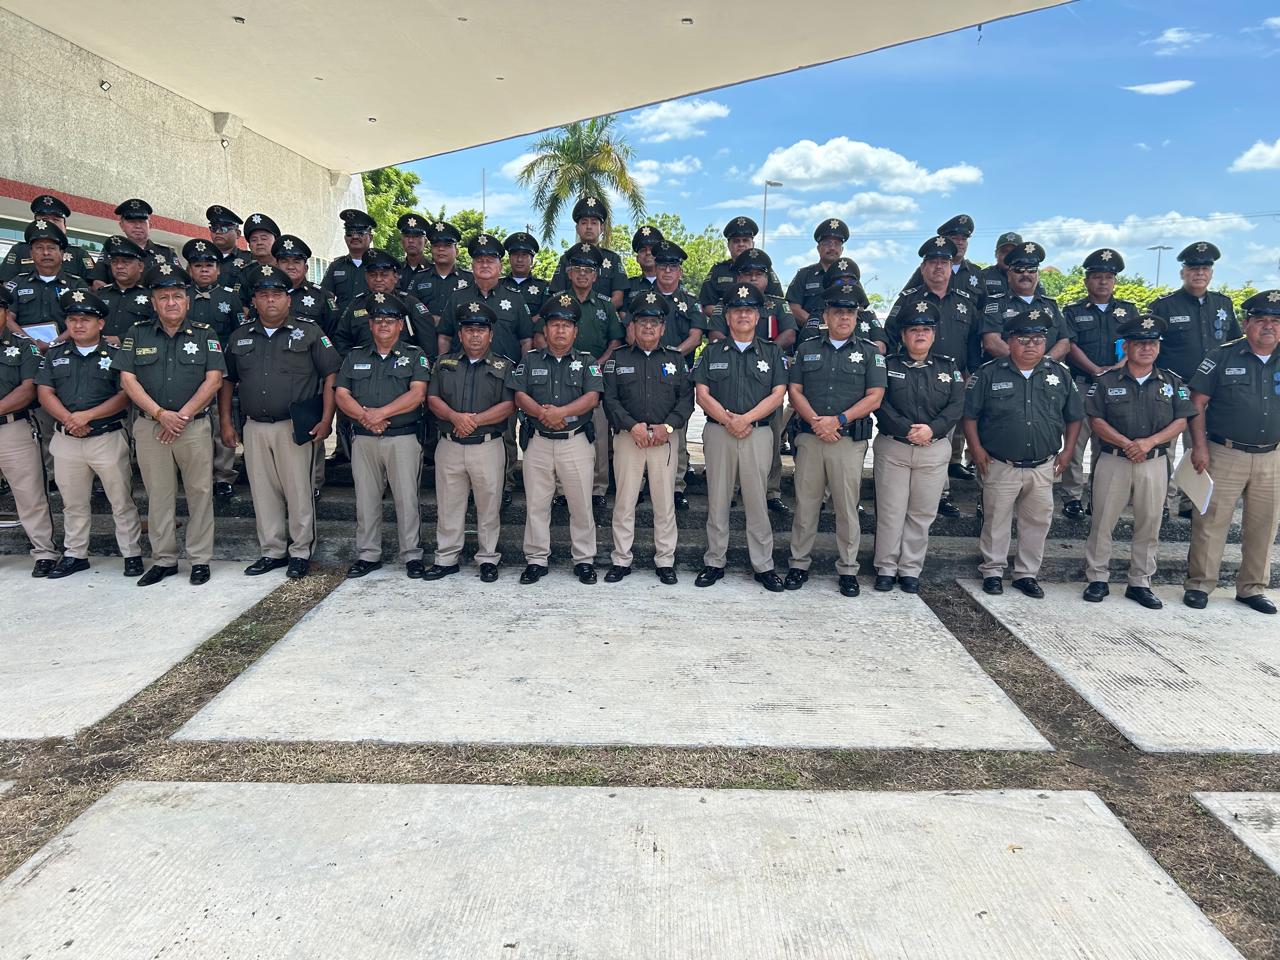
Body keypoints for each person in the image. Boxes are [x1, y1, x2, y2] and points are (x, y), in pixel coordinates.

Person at [219, 264, 341, 580]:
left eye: (276, 295)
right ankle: (272, 551)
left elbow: (331, 375)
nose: (270, 301)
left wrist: (327, 419)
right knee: (263, 491)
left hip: (294, 425)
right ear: (254, 301)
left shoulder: (310, 331)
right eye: (263, 295)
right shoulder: (240, 336)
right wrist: (226, 423)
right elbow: (228, 381)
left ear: (288, 299)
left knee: (299, 491)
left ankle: (300, 552)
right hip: (255, 425)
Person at [964, 304, 1084, 597]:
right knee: (996, 520)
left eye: (1038, 340)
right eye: (1023, 339)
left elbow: (1074, 417)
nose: (1031, 345)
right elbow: (970, 416)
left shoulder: (1059, 374)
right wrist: (975, 449)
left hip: (1043, 465)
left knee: (1037, 522)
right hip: (1000, 463)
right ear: (1010, 341)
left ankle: (1026, 574)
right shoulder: (989, 373)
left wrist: (1067, 452)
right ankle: (992, 570)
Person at [117, 265, 225, 586]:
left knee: (200, 493)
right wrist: (161, 413)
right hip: (152, 427)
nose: (171, 303)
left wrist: (182, 416)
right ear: (153, 303)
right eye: (163, 297)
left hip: (193, 427)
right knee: (158, 495)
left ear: (187, 301)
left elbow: (214, 380)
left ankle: (200, 560)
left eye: (177, 296)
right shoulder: (137, 333)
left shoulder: (205, 333)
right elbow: (127, 379)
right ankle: (164, 559)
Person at [1081, 313, 1196, 608]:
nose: (1147, 348)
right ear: (1127, 348)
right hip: (1114, 459)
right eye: (1140, 343)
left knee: (1149, 523)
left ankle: (1140, 582)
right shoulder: (1106, 381)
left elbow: (1182, 420)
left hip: (1154, 462)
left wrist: (1149, 442)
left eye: (1152, 343)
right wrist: (1126, 443)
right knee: (1102, 521)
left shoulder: (1171, 381)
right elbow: (1095, 419)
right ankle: (1097, 578)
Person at [785, 285, 887, 597]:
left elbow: (876, 397)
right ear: (826, 316)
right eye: (838, 312)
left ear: (857, 317)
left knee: (846, 507)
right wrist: (818, 423)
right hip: (812, 437)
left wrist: (838, 420)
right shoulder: (807, 349)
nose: (844, 317)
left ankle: (848, 569)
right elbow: (795, 391)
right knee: (806, 505)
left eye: (850, 312)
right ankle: (798, 564)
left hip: (847, 441)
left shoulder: (870, 353)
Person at [1182, 290, 1280, 615]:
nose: (1269, 326)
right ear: (1246, 322)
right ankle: (1199, 584)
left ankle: (1252, 588)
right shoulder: (1222, 356)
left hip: (1272, 456)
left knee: (1264, 525)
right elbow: (1197, 403)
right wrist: (1199, 447)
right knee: (1210, 521)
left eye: (1276, 321)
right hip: (1224, 452)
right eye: (1262, 320)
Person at [36, 289, 143, 579]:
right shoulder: (55, 355)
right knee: (73, 503)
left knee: (121, 500)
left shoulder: (117, 355)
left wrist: (88, 416)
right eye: (72, 319)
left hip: (106, 436)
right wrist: (69, 419)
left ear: (101, 324)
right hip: (67, 439)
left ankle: (131, 553)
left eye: (86, 319)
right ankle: (75, 554)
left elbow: (125, 394)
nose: (79, 325)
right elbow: (45, 392)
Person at [692, 283, 787, 591]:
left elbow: (778, 394)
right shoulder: (712, 351)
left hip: (757, 434)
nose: (743, 316)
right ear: (728, 317)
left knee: (757, 499)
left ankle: (763, 565)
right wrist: (728, 420)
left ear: (757, 316)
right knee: (718, 498)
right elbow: (702, 394)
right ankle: (714, 561)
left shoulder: (772, 353)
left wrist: (745, 419)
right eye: (737, 311)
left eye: (748, 310)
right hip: (719, 432)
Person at [334, 292, 430, 579]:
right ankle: (368, 554)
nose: (384, 326)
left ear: (401, 325)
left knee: (407, 498)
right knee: (366, 498)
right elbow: (341, 393)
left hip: (403, 437)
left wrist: (381, 414)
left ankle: (412, 554)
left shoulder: (415, 356)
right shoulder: (355, 356)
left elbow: (417, 395)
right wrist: (367, 417)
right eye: (378, 321)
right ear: (371, 326)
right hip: (364, 437)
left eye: (390, 321)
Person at [509, 293, 603, 585]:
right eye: (554, 325)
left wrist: (560, 412)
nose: (560, 330)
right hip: (538, 440)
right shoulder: (530, 359)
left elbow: (592, 397)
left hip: (575, 441)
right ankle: (536, 559)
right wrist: (541, 413)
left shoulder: (587, 362)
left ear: (575, 331)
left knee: (580, 504)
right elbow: (519, 394)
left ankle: (584, 559)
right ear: (545, 330)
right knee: (537, 503)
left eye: (566, 325)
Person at [886, 237, 982, 517]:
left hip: (949, 383)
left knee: (944, 439)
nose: (938, 267)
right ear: (923, 267)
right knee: (910, 435)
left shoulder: (966, 302)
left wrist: (970, 375)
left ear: (952, 266)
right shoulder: (908, 300)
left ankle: (941, 494)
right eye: (932, 262)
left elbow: (974, 341)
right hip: (909, 380)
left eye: (944, 262)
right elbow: (890, 335)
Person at [872, 301, 964, 594]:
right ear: (903, 336)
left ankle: (910, 569)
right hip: (895, 446)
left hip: (934, 448)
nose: (920, 335)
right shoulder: (888, 366)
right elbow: (879, 402)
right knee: (891, 511)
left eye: (926, 329)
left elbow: (957, 405)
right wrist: (907, 430)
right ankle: (886, 567)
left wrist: (932, 430)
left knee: (922, 512)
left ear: (934, 335)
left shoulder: (949, 368)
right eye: (914, 330)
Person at [602, 291, 694, 584]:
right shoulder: (618, 359)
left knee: (664, 503)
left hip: (663, 440)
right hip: (630, 439)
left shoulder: (676, 359)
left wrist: (666, 428)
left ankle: (665, 560)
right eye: (642, 322)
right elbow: (611, 400)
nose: (648, 328)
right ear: (632, 326)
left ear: (663, 328)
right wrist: (633, 427)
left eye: (654, 323)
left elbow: (685, 400)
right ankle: (621, 559)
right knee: (625, 501)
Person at [439, 233, 534, 505]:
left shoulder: (514, 299)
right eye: (479, 260)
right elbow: (445, 334)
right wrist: (444, 366)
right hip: (461, 374)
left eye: (490, 260)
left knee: (503, 432)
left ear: (500, 265)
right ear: (472, 265)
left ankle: (504, 484)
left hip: (502, 376)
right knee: (461, 425)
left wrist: (522, 372)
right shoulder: (457, 297)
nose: (484, 265)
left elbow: (526, 339)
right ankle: (466, 484)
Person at [425, 301, 516, 583]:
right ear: (460, 334)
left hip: (487, 445)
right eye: (469, 329)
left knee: (489, 505)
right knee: (449, 504)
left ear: (490, 334)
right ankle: (447, 557)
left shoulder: (504, 366)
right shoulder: (443, 364)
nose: (475, 335)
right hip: (450, 444)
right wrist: (454, 417)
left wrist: (472, 421)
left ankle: (488, 558)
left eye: (481, 330)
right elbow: (432, 399)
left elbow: (509, 405)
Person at [1149, 242, 1241, 519]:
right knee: (1162, 447)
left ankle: (1191, 501)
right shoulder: (1163, 305)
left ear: (1211, 273)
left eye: (1205, 268)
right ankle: (1161, 501)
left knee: (1198, 446)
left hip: (1211, 392)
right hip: (1173, 389)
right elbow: (1150, 347)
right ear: (1183, 273)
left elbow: (1235, 344)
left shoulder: (1223, 304)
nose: (1199, 273)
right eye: (1193, 268)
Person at [543, 242, 624, 511]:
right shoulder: (556, 302)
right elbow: (542, 336)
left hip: (594, 375)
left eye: (588, 270)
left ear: (596, 275)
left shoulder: (605, 306)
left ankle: (598, 487)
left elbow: (615, 341)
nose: (582, 274)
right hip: (561, 374)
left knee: (598, 434)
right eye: (577, 268)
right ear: (568, 272)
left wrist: (597, 365)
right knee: (561, 429)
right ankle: (562, 489)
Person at [1060, 248, 1139, 520]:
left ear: (1114, 281)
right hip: (1082, 383)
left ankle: (1098, 496)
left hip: (1117, 386)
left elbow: (1135, 344)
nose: (1102, 282)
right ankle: (1071, 496)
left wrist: (1115, 369)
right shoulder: (1072, 311)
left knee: (1105, 445)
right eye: (1097, 277)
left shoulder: (1129, 311)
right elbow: (1069, 344)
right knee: (1076, 441)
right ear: (1086, 281)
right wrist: (1095, 370)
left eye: (1108, 277)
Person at [721, 247, 797, 514]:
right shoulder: (726, 303)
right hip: (731, 380)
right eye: (747, 273)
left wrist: (764, 353)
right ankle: (730, 490)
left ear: (767, 277)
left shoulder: (778, 304)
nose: (753, 278)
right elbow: (717, 337)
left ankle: (771, 490)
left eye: (758, 274)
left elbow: (789, 333)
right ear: (738, 276)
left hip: (768, 381)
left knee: (772, 439)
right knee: (729, 439)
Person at [646, 240, 707, 508]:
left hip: (678, 373)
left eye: (673, 267)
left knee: (676, 430)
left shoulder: (691, 302)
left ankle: (677, 485)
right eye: (662, 266)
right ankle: (644, 483)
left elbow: (696, 337)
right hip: (645, 370)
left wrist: (671, 355)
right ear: (655, 268)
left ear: (680, 271)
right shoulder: (642, 297)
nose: (667, 271)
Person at [184, 238, 244, 499]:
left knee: (221, 419)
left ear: (218, 269)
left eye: (209, 265)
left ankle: (223, 475)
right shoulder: (181, 295)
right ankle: (196, 473)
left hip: (222, 369)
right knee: (193, 422)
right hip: (189, 368)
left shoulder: (230, 298)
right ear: (190, 270)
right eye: (198, 265)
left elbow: (238, 332)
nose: (204, 270)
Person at [0, 318, 59, 576]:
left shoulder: (24, 347)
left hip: (12, 428)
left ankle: (44, 552)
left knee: (30, 495)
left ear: (5, 314)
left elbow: (28, 390)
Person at [980, 241, 1074, 363]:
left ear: (1038, 274)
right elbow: (992, 343)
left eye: (1031, 270)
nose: (1025, 274)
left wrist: (1042, 365)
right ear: (1009, 275)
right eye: (1019, 270)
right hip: (1007, 374)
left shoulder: (1051, 305)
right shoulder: (996, 304)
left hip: (1046, 374)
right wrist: (1025, 364)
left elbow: (1064, 342)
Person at [698, 216, 784, 324]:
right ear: (728, 245)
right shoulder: (718, 270)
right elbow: (707, 306)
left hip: (761, 329)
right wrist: (734, 319)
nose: (741, 244)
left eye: (745, 240)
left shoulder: (765, 271)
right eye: (736, 241)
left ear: (753, 244)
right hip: (725, 329)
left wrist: (751, 320)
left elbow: (778, 304)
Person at [548, 196, 628, 309]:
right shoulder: (566, 259)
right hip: (571, 320)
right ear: (577, 228)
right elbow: (557, 295)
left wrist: (595, 314)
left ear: (602, 228)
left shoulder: (613, 259)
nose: (589, 227)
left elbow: (618, 299)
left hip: (603, 321)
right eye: (584, 223)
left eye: (594, 223)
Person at [0, 194, 96, 283]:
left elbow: (93, 289)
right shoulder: (19, 250)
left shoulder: (79, 254)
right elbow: (7, 285)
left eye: (56, 220)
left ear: (65, 227)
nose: (50, 224)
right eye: (44, 220)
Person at [87, 199, 180, 287]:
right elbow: (98, 282)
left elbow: (180, 283)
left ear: (150, 225)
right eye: (132, 222)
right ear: (121, 225)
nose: (138, 226)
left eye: (142, 221)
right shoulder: (110, 252)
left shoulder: (167, 253)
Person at [785, 218, 850, 327]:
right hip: (809, 336)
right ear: (818, 248)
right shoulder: (804, 275)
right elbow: (793, 308)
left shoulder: (850, 276)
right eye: (827, 243)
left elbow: (859, 306)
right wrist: (818, 325)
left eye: (837, 244)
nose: (832, 247)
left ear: (842, 249)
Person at [900, 214, 983, 296]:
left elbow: (983, 306)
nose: (960, 243)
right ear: (944, 241)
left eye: (964, 239)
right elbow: (906, 299)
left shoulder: (976, 272)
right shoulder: (928, 269)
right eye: (955, 238)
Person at [275, 235, 341, 335]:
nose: (290, 266)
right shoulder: (265, 295)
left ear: (306, 268)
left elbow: (334, 334)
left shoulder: (322, 296)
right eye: (284, 261)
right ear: (276, 266)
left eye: (296, 262)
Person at [408, 220, 473, 321]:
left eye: (447, 245)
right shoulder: (419, 278)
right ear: (431, 250)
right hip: (426, 334)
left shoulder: (470, 279)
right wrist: (429, 319)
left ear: (457, 251)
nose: (441, 249)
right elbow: (410, 309)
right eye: (436, 245)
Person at [97, 235, 155, 345]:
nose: (119, 266)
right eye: (114, 262)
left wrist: (121, 339)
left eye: (126, 262)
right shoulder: (100, 294)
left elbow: (155, 326)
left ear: (141, 266)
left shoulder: (151, 296)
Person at [320, 208, 377, 313]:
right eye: (350, 232)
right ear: (345, 237)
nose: (355, 236)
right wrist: (334, 312)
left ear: (370, 237)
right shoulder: (336, 266)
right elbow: (325, 296)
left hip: (372, 324)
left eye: (360, 233)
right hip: (341, 325)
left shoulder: (379, 266)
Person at [204, 205, 252, 291]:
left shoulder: (249, 260)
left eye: (224, 229)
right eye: (214, 228)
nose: (218, 232)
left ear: (237, 233)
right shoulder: (201, 259)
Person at [977, 231, 1024, 301]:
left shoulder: (1029, 278)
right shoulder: (983, 276)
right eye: (1004, 251)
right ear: (996, 254)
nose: (1008, 256)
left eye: (1013, 252)